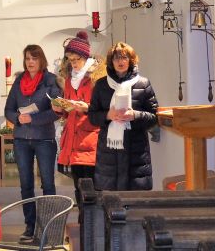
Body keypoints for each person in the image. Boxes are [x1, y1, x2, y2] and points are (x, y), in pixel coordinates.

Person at [4, 45, 61, 242]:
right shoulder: (19, 80)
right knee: (26, 184)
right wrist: (18, 118)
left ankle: (49, 227)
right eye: (27, 58)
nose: (30, 62)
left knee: (48, 184)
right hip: (21, 139)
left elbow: (57, 111)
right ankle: (30, 226)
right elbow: (8, 109)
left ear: (41, 60)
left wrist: (33, 119)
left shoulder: (50, 80)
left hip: (44, 139)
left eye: (34, 58)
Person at [88, 42, 158, 191]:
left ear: (131, 60)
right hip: (109, 153)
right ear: (111, 61)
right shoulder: (101, 85)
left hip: (136, 151)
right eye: (116, 58)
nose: (120, 61)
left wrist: (135, 115)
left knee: (135, 199)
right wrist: (108, 115)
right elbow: (92, 116)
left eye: (124, 57)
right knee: (110, 199)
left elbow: (154, 117)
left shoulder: (143, 83)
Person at [53, 31, 103, 217]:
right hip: (73, 140)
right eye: (70, 59)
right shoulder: (68, 80)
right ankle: (84, 225)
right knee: (78, 188)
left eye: (77, 59)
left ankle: (93, 226)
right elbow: (68, 112)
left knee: (92, 189)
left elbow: (103, 109)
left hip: (90, 138)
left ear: (86, 56)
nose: (73, 63)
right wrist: (59, 108)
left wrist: (87, 108)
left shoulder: (96, 78)